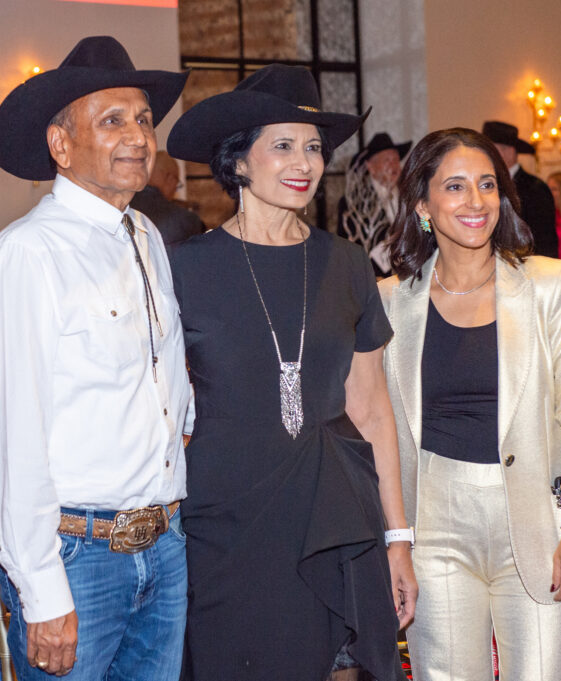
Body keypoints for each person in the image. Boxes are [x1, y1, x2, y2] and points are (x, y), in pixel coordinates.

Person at [166, 64, 417, 681]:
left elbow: (372, 411)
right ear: (239, 162)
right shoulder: (183, 270)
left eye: (312, 147)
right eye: (282, 146)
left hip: (336, 518)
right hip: (224, 524)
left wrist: (398, 539)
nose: (303, 162)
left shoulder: (348, 265)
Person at [0, 36, 192, 680]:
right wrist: (41, 590)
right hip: (80, 556)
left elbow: (168, 384)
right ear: (61, 145)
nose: (139, 136)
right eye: (113, 120)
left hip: (165, 544)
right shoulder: (28, 254)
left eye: (145, 119)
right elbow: (16, 436)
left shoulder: (147, 236)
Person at [379, 128, 561, 680]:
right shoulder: (391, 301)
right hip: (434, 524)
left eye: (488, 185)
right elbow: (378, 430)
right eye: (456, 187)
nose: (476, 202)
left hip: (539, 517)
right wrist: (395, 540)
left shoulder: (551, 285)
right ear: (422, 204)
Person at [337, 132, 412, 276]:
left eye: (396, 160)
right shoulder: (353, 203)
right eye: (387, 160)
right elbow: (347, 247)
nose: (393, 165)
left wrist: (426, 228)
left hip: (411, 277)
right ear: (371, 167)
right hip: (373, 279)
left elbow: (425, 225)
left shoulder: (410, 197)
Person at [481, 121, 558, 259]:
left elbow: (545, 241)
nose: (486, 157)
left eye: (491, 151)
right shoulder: (483, 185)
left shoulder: (535, 188)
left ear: (509, 152)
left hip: (525, 267)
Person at [129, 150, 205, 245]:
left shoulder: (121, 206)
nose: (175, 191)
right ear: (170, 179)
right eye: (177, 184)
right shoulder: (185, 220)